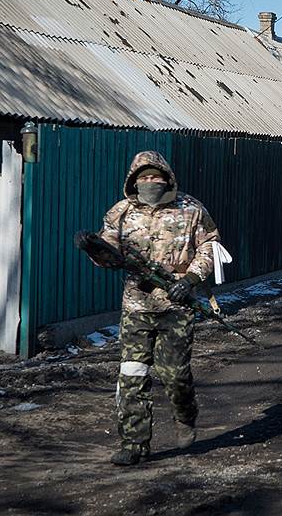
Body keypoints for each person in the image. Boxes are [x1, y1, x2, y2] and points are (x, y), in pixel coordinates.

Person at [82, 150, 219, 466]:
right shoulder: (121, 212)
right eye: (143, 177)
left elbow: (210, 245)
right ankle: (134, 443)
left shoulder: (191, 208)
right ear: (133, 180)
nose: (149, 181)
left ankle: (185, 416)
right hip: (137, 306)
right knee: (132, 373)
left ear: (166, 177)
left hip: (177, 306)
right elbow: (110, 254)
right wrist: (93, 248)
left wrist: (192, 278)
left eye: (155, 176)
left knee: (174, 375)